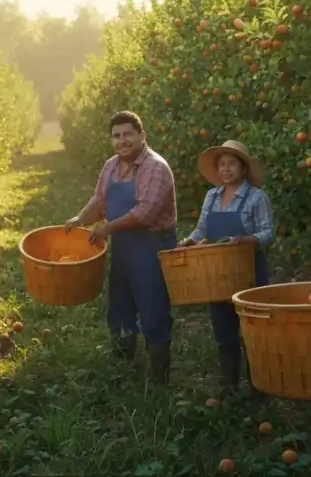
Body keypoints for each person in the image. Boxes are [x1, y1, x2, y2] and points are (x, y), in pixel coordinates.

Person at [65, 110, 178, 383]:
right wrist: (80, 218)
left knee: (153, 310)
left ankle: (159, 375)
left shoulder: (155, 167)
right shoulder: (111, 166)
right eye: (116, 136)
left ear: (142, 136)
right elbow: (99, 202)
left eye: (128, 134)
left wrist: (107, 228)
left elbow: (145, 213)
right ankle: (124, 368)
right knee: (121, 307)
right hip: (124, 246)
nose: (122, 140)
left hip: (153, 246)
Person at [176, 140, 275, 388]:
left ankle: (258, 386)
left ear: (243, 168)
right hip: (217, 273)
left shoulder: (256, 197)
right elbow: (201, 230)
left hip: (249, 271)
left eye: (232, 163)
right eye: (222, 164)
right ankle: (229, 387)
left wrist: (247, 240)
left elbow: (268, 232)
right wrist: (189, 241)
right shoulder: (212, 196)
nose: (226, 169)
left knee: (252, 331)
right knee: (223, 329)